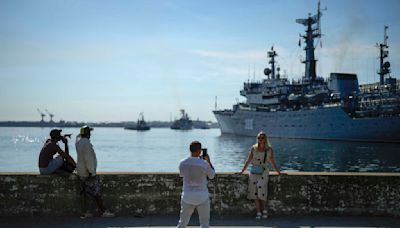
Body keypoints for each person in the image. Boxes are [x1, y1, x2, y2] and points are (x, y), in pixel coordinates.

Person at [237, 132, 284, 219]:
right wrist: (242, 171)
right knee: (255, 193)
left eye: (262, 138)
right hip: (254, 172)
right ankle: (259, 212)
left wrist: (278, 172)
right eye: (259, 138)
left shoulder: (269, 149)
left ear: (265, 139)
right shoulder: (253, 148)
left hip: (263, 172)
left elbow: (272, 162)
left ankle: (264, 210)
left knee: (262, 191)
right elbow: (248, 161)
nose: (260, 139)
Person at [75, 125, 114, 218]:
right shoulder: (86, 143)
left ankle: (85, 212)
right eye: (89, 132)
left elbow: (78, 137)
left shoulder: (78, 142)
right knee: (96, 193)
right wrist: (92, 172)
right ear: (87, 133)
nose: (90, 134)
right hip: (87, 172)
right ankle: (104, 211)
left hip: (80, 171)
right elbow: (88, 159)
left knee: (84, 192)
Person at [177, 141, 215, 228]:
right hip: (202, 196)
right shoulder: (204, 164)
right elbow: (212, 175)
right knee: (205, 223)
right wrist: (208, 161)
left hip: (187, 196)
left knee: (182, 223)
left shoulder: (182, 163)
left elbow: (181, 174)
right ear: (199, 151)